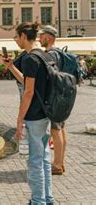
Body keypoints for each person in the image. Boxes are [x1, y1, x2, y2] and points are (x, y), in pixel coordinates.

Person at [13, 22, 54, 204]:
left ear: (23, 36)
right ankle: (47, 198)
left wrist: (19, 119)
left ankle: (38, 201)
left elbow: (28, 92)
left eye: (17, 37)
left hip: (34, 115)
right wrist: (10, 67)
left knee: (35, 161)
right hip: (46, 112)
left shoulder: (30, 58)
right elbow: (30, 83)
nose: (16, 41)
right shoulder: (44, 55)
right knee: (44, 158)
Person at [38, 25, 67, 176]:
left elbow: (51, 77)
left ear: (48, 37)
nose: (39, 39)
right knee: (61, 128)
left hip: (54, 95)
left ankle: (56, 164)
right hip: (62, 95)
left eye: (41, 36)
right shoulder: (60, 52)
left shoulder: (51, 54)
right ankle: (60, 162)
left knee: (56, 129)